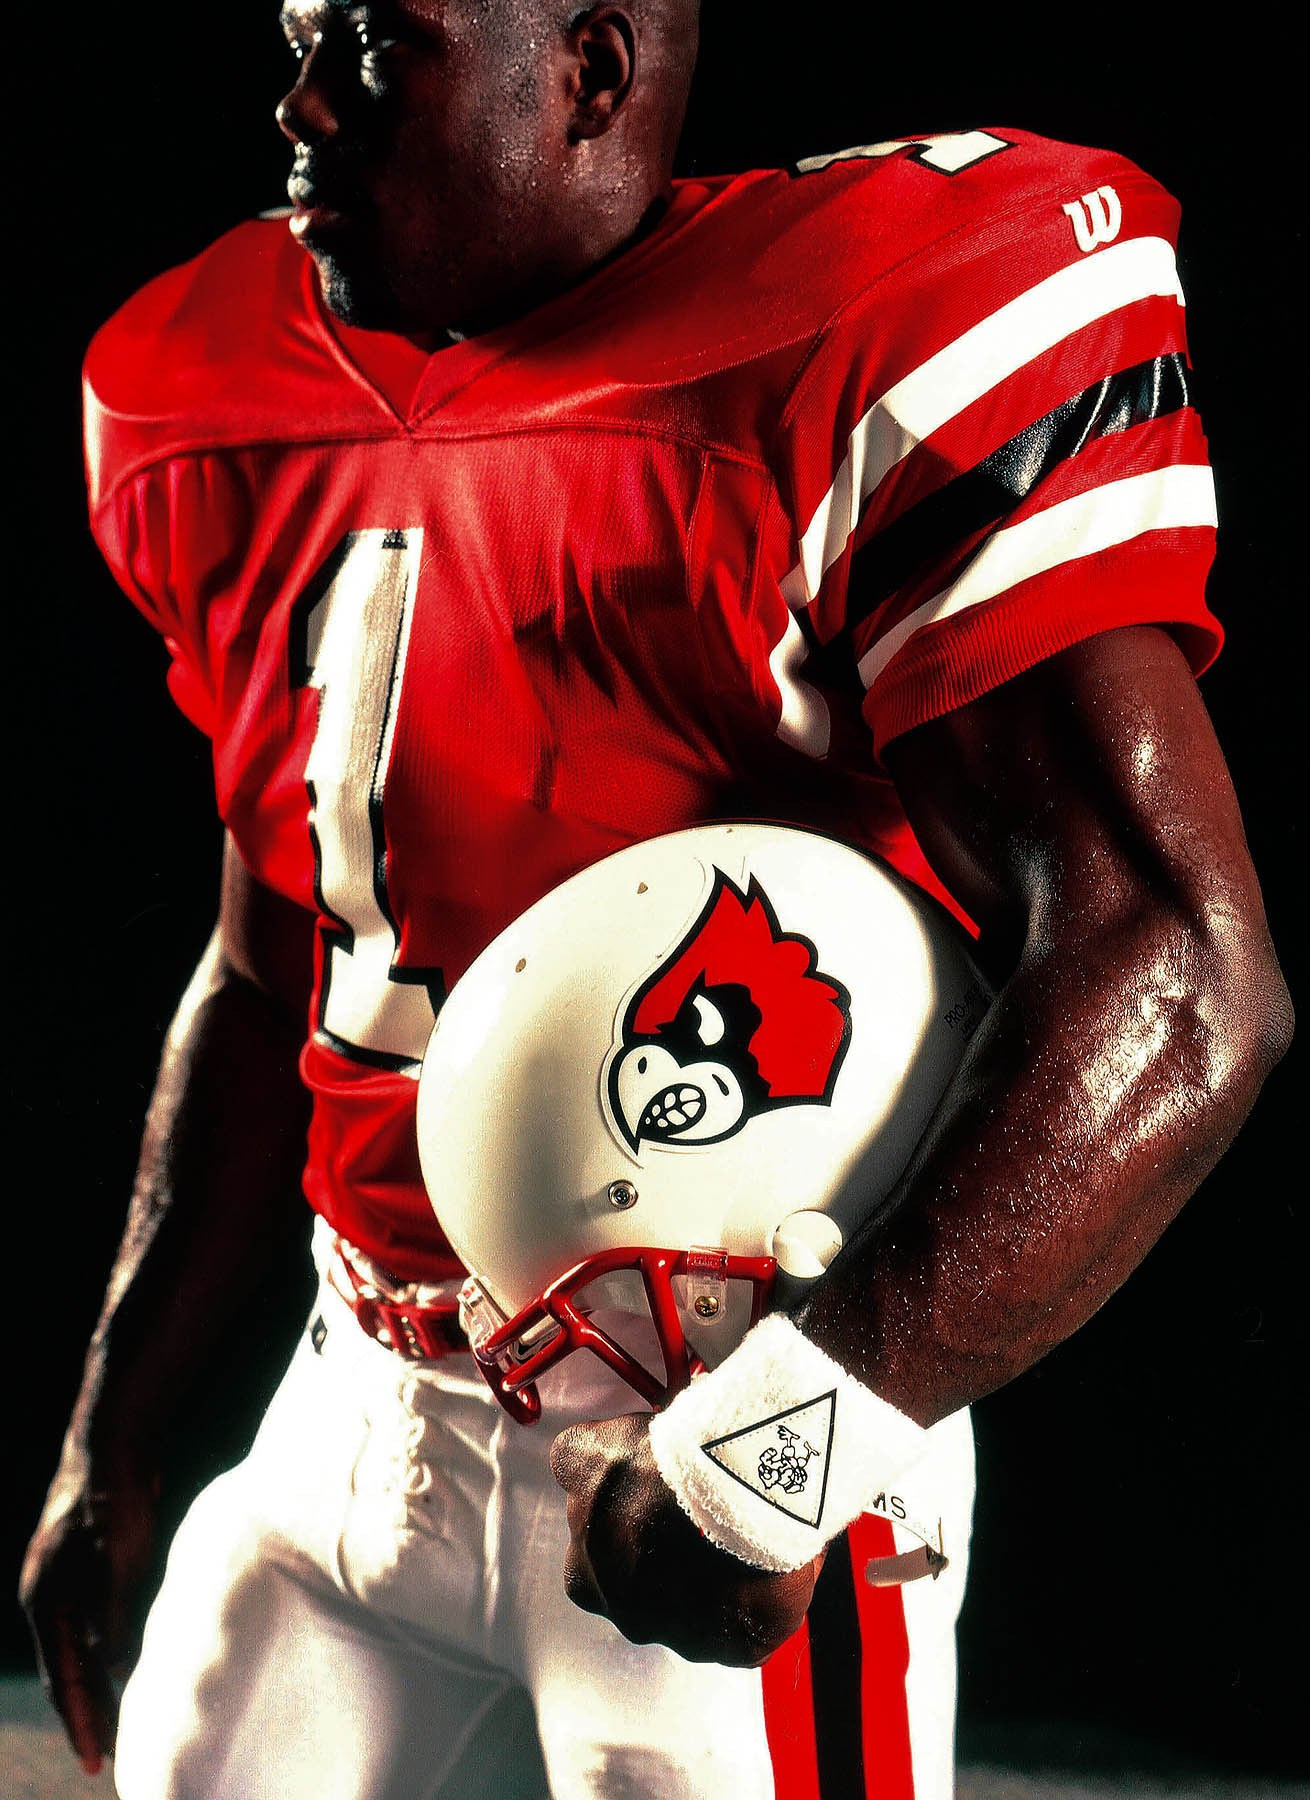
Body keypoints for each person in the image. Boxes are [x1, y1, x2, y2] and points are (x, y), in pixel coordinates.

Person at [21, 1, 1292, 1795]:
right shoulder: (206, 385)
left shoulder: (866, 328)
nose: (298, 97)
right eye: (297, 29)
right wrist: (117, 1429)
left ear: (593, 76)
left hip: (705, 1414)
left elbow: (1179, 977)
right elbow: (268, 959)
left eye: (376, 47)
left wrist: (767, 1457)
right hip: (348, 1399)